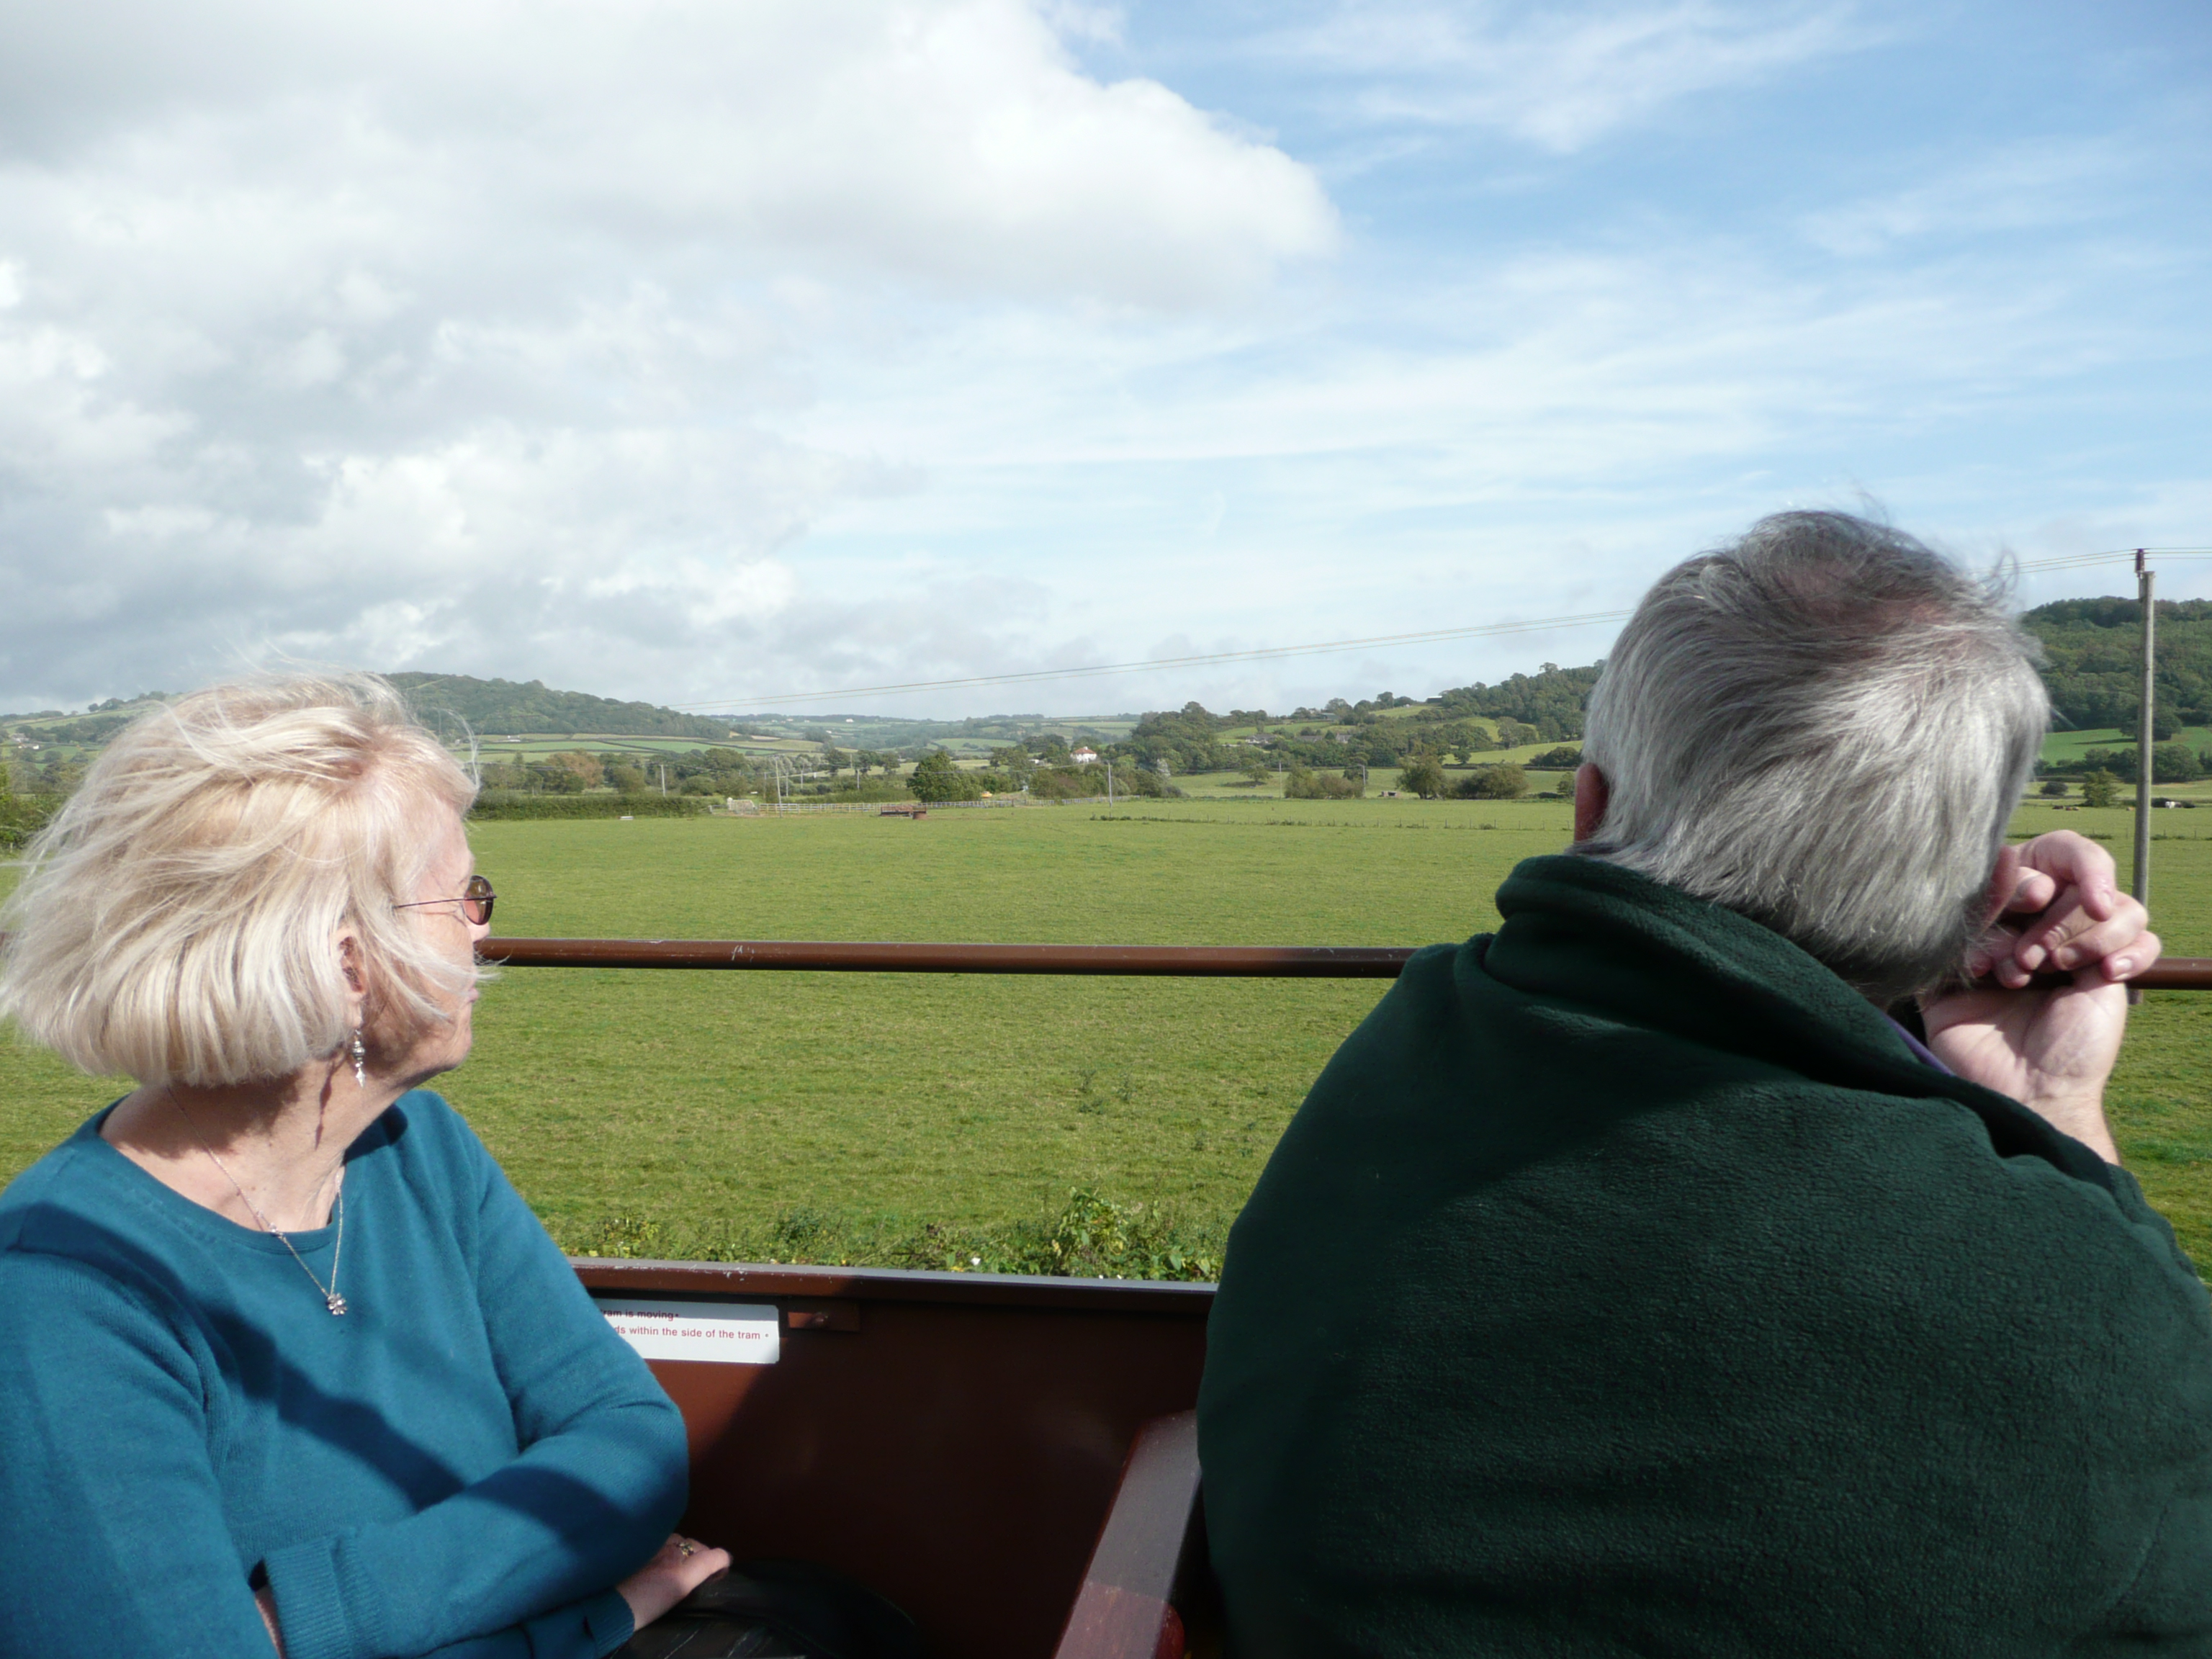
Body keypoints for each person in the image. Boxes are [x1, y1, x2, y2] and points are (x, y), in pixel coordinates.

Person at [1198, 512, 2212, 1655]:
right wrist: (2057, 1112)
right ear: (1985, 897)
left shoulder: (1412, 1051)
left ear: (1588, 809)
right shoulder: (2079, 1299)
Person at [0, 674, 732, 1658]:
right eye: (463, 896)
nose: (483, 926)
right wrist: (588, 1615)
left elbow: (632, 1442)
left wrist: (306, 1619)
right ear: (350, 966)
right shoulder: (60, 1299)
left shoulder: (417, 1150)